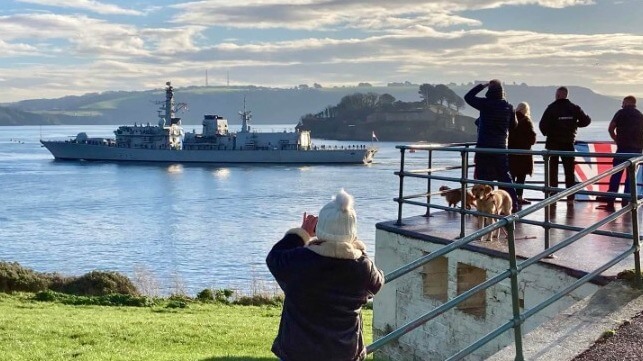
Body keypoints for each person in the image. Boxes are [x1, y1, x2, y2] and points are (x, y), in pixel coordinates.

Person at [266, 189, 384, 361]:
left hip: (298, 352)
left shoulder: (299, 261)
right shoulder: (362, 268)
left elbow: (274, 257)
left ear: (320, 228)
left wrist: (302, 234)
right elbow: (378, 282)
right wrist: (356, 247)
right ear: (352, 233)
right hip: (344, 353)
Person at [464, 79, 520, 212]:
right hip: (501, 147)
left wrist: (482, 86)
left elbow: (468, 97)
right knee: (505, 177)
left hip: (484, 146)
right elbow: (514, 125)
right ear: (502, 91)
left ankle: (484, 207)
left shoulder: (485, 104)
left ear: (490, 90)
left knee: (483, 179)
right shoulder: (509, 107)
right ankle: (513, 205)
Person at [539, 86, 591, 201]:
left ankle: (552, 195)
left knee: (553, 171)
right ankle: (570, 196)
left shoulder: (551, 108)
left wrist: (549, 132)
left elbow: (542, 125)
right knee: (569, 171)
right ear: (566, 95)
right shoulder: (574, 108)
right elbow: (587, 120)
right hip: (568, 143)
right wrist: (575, 125)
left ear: (557, 95)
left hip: (553, 144)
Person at [599, 96, 643, 211]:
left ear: (627, 102)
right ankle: (626, 199)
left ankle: (611, 199)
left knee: (616, 174)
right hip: (636, 150)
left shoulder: (621, 113)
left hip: (622, 148)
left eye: (623, 102)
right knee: (631, 176)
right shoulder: (640, 115)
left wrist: (616, 139)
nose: (621, 105)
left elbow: (611, 128)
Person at [508, 102, 537, 205]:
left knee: (510, 177)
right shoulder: (526, 121)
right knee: (521, 177)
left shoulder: (510, 120)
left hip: (510, 153)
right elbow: (532, 139)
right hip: (523, 155)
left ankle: (509, 198)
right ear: (526, 110)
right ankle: (519, 198)